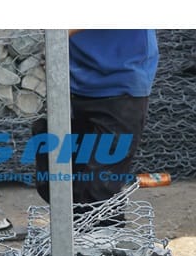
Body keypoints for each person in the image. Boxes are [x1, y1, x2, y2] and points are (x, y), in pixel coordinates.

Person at [34, 29, 159, 207]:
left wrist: (58, 32)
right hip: (70, 81)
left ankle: (100, 223)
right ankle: (79, 223)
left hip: (121, 82)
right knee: (57, 181)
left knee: (99, 188)